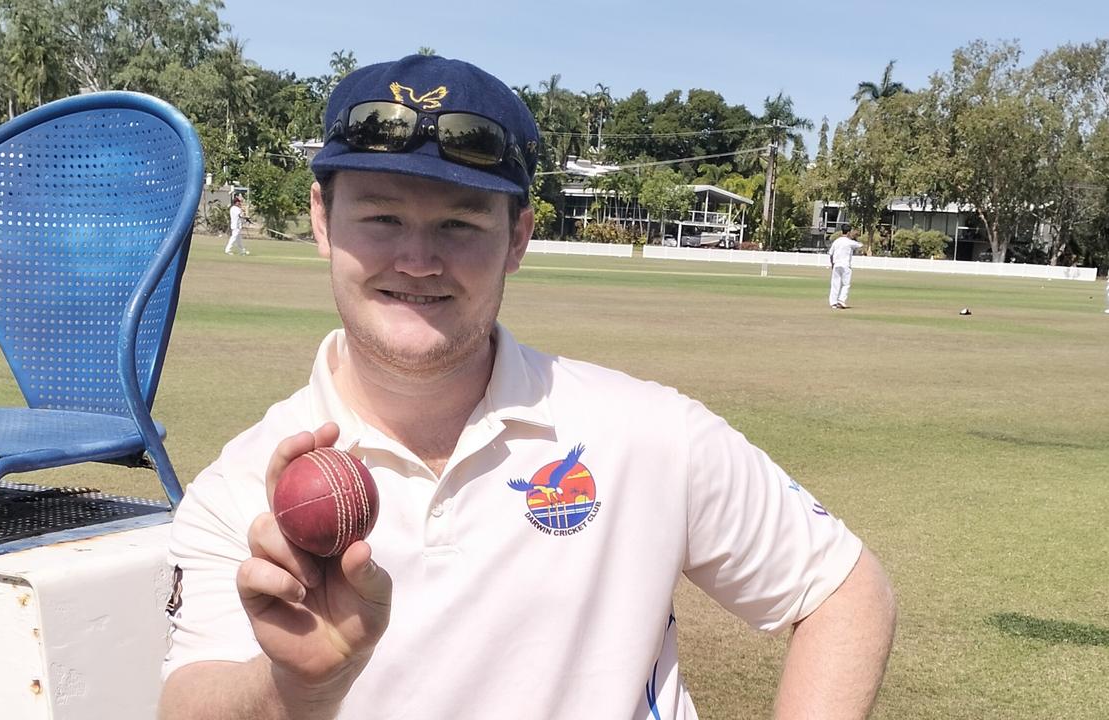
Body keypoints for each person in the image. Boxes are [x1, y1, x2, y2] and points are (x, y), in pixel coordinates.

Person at [159, 54, 896, 720]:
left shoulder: (646, 431)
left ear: (517, 238)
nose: (418, 260)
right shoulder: (241, 487)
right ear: (323, 220)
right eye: (381, 217)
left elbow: (842, 590)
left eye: (459, 223)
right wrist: (297, 689)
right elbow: (188, 702)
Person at [828, 224, 864, 309]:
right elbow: (860, 245)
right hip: (845, 265)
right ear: (848, 232)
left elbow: (831, 254)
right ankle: (841, 300)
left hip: (836, 264)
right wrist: (855, 236)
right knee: (846, 284)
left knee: (835, 284)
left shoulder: (836, 241)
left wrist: (832, 264)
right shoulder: (849, 242)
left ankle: (833, 302)